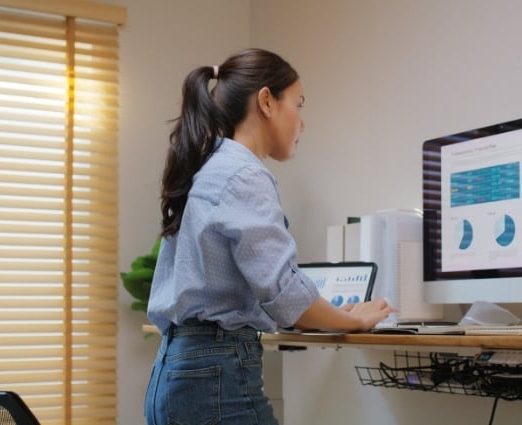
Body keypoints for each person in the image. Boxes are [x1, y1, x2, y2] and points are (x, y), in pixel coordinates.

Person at [143, 48, 395, 425]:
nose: (303, 124)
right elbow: (283, 295)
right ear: (266, 101)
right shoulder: (244, 174)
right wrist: (353, 321)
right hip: (215, 376)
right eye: (299, 104)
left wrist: (329, 312)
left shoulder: (208, 166)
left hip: (174, 371)